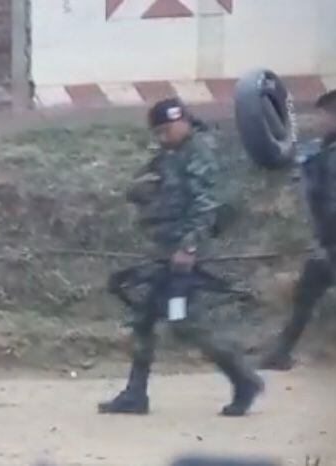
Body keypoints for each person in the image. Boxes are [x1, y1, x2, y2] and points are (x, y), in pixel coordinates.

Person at [98, 98, 263, 417]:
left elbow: (206, 205)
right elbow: (146, 186)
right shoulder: (170, 154)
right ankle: (135, 394)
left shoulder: (199, 152)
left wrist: (189, 248)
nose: (161, 137)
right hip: (163, 252)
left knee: (185, 323)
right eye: (157, 132)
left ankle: (244, 380)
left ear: (183, 121)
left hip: (186, 255)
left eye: (166, 130)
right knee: (143, 319)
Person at [260, 89, 336, 370]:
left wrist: (330, 241)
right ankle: (280, 353)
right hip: (332, 242)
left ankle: (280, 352)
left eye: (322, 115)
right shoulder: (331, 148)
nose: (318, 120)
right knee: (306, 295)